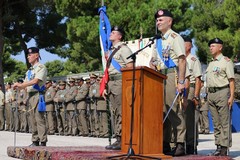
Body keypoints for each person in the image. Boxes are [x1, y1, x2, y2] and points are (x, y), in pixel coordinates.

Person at [149, 9, 187, 156]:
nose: (158, 22)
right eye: (157, 20)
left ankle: (180, 144)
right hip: (159, 76)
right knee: (162, 110)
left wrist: (182, 81)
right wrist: (152, 64)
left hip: (172, 74)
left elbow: (182, 60)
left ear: (169, 21)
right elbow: (153, 60)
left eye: (161, 20)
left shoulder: (175, 37)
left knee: (174, 110)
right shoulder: (157, 40)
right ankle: (164, 143)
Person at [104, 26, 133, 150]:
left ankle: (123, 138)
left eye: (113, 32)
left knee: (122, 112)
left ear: (119, 36)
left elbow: (130, 67)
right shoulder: (112, 50)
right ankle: (118, 137)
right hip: (112, 83)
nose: (110, 34)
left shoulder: (124, 49)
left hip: (121, 82)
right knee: (115, 112)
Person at [13, 47, 48, 146]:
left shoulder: (41, 67)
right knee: (32, 119)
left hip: (38, 95)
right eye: (27, 55)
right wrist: (18, 87)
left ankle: (43, 141)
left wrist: (22, 85)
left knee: (39, 119)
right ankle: (35, 140)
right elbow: (25, 84)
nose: (28, 57)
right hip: (30, 95)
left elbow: (35, 81)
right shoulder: (29, 71)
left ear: (36, 55)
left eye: (30, 55)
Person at [206, 38, 235, 156]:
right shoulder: (211, 63)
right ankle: (218, 146)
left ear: (220, 47)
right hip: (211, 93)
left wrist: (231, 96)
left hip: (222, 92)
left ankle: (224, 147)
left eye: (213, 46)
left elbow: (231, 81)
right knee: (216, 122)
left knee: (224, 121)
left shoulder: (226, 61)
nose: (210, 48)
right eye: (210, 46)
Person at [183, 37, 202, 154]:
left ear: (189, 46)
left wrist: (196, 96)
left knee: (190, 119)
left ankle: (191, 145)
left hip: (190, 89)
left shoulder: (193, 60)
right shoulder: (178, 59)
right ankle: (180, 143)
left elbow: (198, 79)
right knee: (180, 118)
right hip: (179, 89)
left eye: (184, 45)